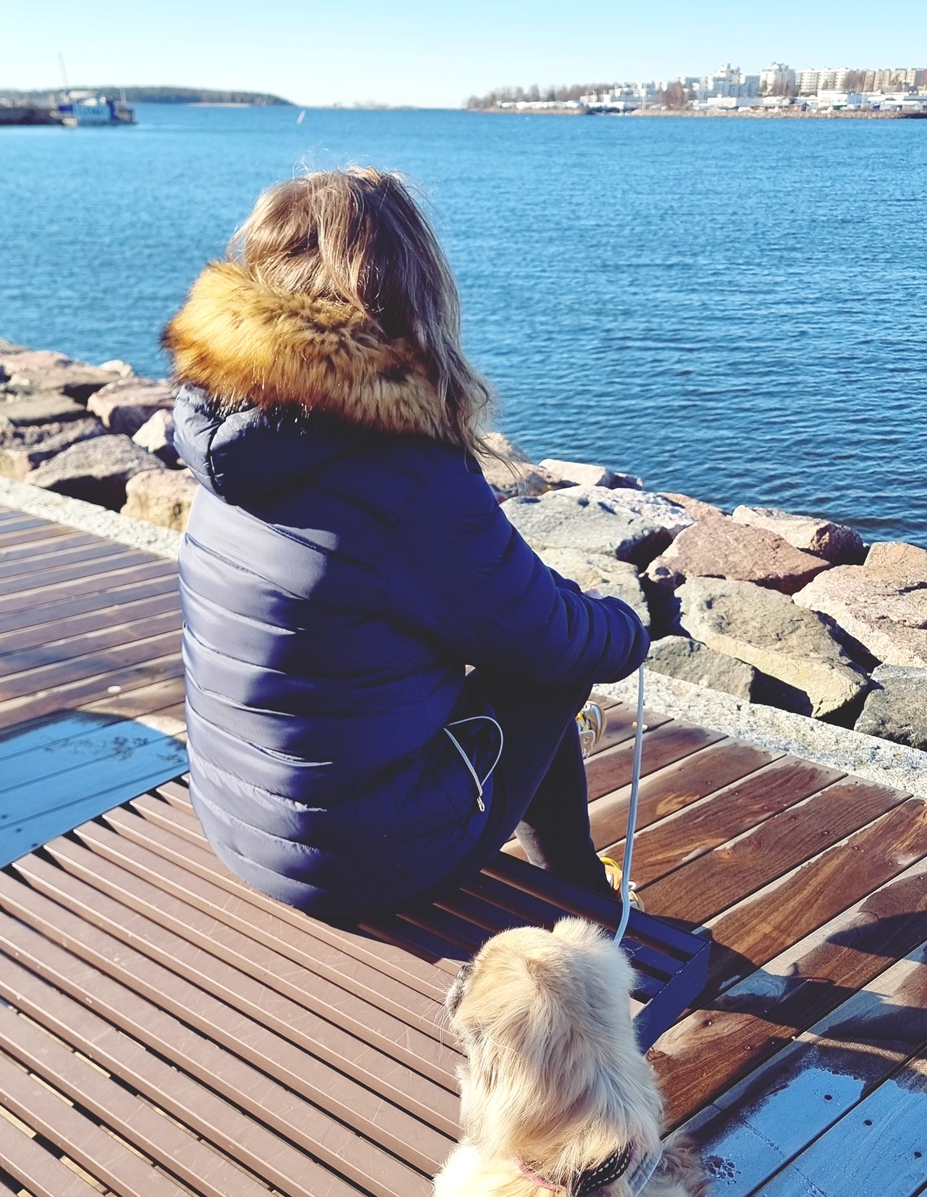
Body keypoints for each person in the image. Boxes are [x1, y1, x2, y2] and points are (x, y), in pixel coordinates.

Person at [165, 168, 649, 926]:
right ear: (409, 290)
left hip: (240, 818)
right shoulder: (407, 472)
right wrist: (628, 627)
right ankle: (586, 903)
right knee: (553, 671)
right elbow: (553, 640)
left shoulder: (226, 430)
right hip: (354, 862)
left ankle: (577, 885)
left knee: (510, 643)